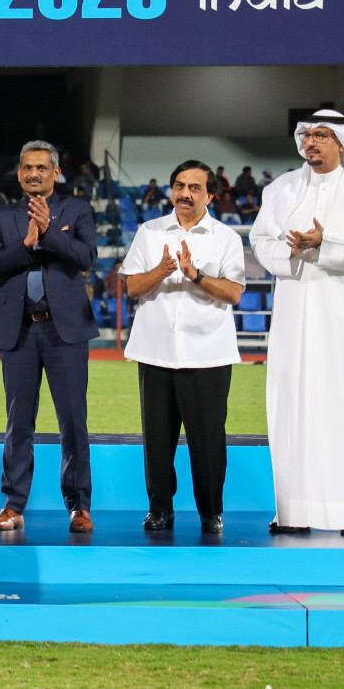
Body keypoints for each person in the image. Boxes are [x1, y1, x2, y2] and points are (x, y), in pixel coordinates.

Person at [250, 110, 344, 535]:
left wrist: (325, 242)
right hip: (295, 318)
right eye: (307, 135)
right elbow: (260, 239)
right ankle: (294, 512)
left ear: (341, 143)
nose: (311, 142)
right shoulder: (282, 188)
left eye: (322, 135)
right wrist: (293, 252)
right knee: (295, 406)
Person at [0, 140, 99, 533]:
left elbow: (86, 258)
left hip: (64, 330)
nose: (34, 173)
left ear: (56, 173)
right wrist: (26, 243)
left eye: (42, 167)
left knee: (73, 421)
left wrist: (48, 232)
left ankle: (79, 506)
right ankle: (13, 505)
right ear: (19, 174)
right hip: (19, 330)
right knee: (18, 423)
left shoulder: (78, 210)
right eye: (28, 167)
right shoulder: (2, 215)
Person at [120, 163, 244, 535]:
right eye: (179, 185)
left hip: (208, 353)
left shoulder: (226, 237)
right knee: (157, 439)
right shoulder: (149, 231)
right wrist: (162, 270)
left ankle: (211, 512)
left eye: (194, 187)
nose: (185, 193)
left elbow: (235, 292)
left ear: (210, 196)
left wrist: (196, 276)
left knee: (208, 441)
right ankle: (160, 509)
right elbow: (132, 287)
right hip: (155, 351)